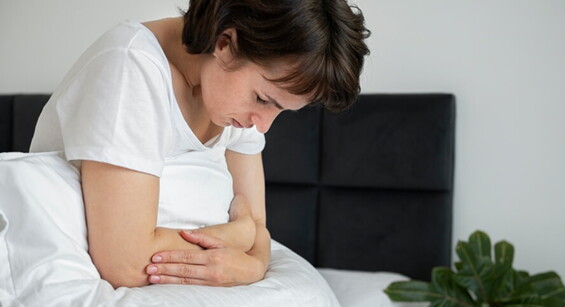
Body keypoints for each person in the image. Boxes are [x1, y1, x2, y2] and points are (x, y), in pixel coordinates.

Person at [29, 0, 369, 289]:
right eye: (263, 99)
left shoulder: (230, 102)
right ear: (224, 43)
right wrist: (238, 237)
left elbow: (259, 227)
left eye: (281, 110)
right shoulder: (131, 67)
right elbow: (127, 262)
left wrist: (252, 266)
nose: (262, 124)